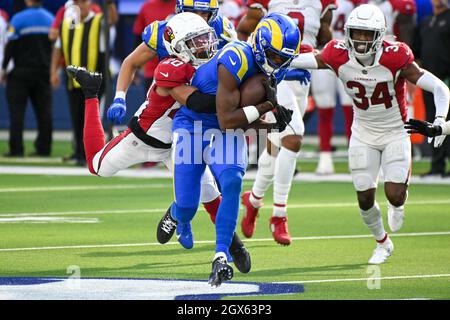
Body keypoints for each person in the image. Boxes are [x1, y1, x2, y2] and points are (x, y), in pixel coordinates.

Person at [290, 4, 450, 264]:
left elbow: (440, 88)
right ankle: (382, 243)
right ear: (348, 32)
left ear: (380, 35)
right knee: (364, 198)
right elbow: (304, 60)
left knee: (394, 194)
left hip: (395, 131)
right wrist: (272, 58)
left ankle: (399, 204)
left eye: (367, 33)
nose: (361, 39)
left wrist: (440, 120)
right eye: (357, 33)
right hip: (362, 132)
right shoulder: (337, 54)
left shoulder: (395, 56)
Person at [158, 13, 304, 286]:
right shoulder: (235, 58)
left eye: (283, 58)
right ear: (260, 45)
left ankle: (220, 257)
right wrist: (266, 107)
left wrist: (270, 126)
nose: (278, 63)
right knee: (188, 205)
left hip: (231, 123)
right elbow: (226, 119)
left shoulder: (276, 66)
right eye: (273, 56)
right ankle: (179, 213)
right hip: (195, 124)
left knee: (233, 181)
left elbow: (239, 123)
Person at [109, 9, 251, 274]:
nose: (203, 21)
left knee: (228, 183)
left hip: (216, 122)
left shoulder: (222, 31)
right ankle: (181, 216)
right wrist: (119, 96)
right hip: (179, 120)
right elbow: (196, 100)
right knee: (195, 198)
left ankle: (230, 247)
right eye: (196, 12)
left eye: (207, 14)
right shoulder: (165, 43)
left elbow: (239, 70)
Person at [236, 0, 333, 245]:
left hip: (302, 77)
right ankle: (279, 213)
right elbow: (244, 30)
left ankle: (254, 199)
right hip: (273, 77)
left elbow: (324, 37)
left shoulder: (323, 2)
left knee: (277, 143)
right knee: (294, 134)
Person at [50, 0, 106, 166]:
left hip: (95, 81)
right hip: (73, 80)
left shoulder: (98, 21)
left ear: (90, 4)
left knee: (92, 117)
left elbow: (112, 20)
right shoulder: (68, 25)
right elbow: (58, 47)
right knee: (76, 117)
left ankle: (92, 153)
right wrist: (53, 71)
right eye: (77, 3)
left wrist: (110, 4)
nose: (80, 6)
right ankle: (79, 152)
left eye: (83, 2)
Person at [311, 0, 361, 175]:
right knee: (324, 109)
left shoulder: (353, 4)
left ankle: (354, 157)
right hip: (322, 55)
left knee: (351, 109)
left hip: (349, 56)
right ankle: (325, 158)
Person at [1, 0, 54, 157]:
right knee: (44, 112)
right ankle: (44, 149)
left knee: (16, 112)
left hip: (20, 72)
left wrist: (4, 69)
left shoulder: (18, 19)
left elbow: (10, 47)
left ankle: (16, 149)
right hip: (43, 72)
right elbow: (54, 46)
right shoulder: (50, 19)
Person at [413, 0, 450, 177]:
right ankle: (437, 165)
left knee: (447, 122)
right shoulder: (426, 22)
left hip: (447, 80)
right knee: (431, 121)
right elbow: (417, 53)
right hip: (429, 82)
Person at [132, 0, 176, 93]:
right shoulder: (146, 7)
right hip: (152, 71)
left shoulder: (182, 6)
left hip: (179, 71)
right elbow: (138, 40)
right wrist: (135, 70)